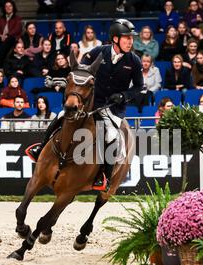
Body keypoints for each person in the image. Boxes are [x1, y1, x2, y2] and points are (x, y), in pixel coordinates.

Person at [27, 19, 143, 191]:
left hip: (111, 108)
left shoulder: (134, 61)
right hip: (89, 102)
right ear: (115, 39)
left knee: (111, 136)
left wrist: (124, 95)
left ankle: (103, 176)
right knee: (60, 117)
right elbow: (80, 71)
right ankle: (40, 149)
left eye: (132, 38)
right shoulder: (98, 52)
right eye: (127, 38)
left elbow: (140, 87)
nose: (131, 41)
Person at [0, 1, 23, 66]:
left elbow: (17, 29)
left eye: (10, 6)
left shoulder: (17, 18)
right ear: (4, 8)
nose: (8, 8)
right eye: (6, 6)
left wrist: (7, 35)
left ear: (13, 7)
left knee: (9, 39)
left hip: (12, 37)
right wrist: (0, 35)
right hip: (1, 37)